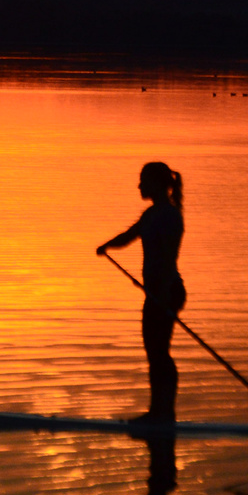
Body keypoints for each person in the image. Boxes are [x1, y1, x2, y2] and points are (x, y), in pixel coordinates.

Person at [97, 162, 186, 423]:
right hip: (157, 292)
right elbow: (128, 236)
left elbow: (167, 257)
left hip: (166, 291)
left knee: (159, 352)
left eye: (143, 181)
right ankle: (159, 412)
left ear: (157, 184)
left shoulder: (169, 215)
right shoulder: (152, 214)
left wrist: (160, 294)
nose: (139, 186)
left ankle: (163, 413)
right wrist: (106, 246)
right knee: (155, 352)